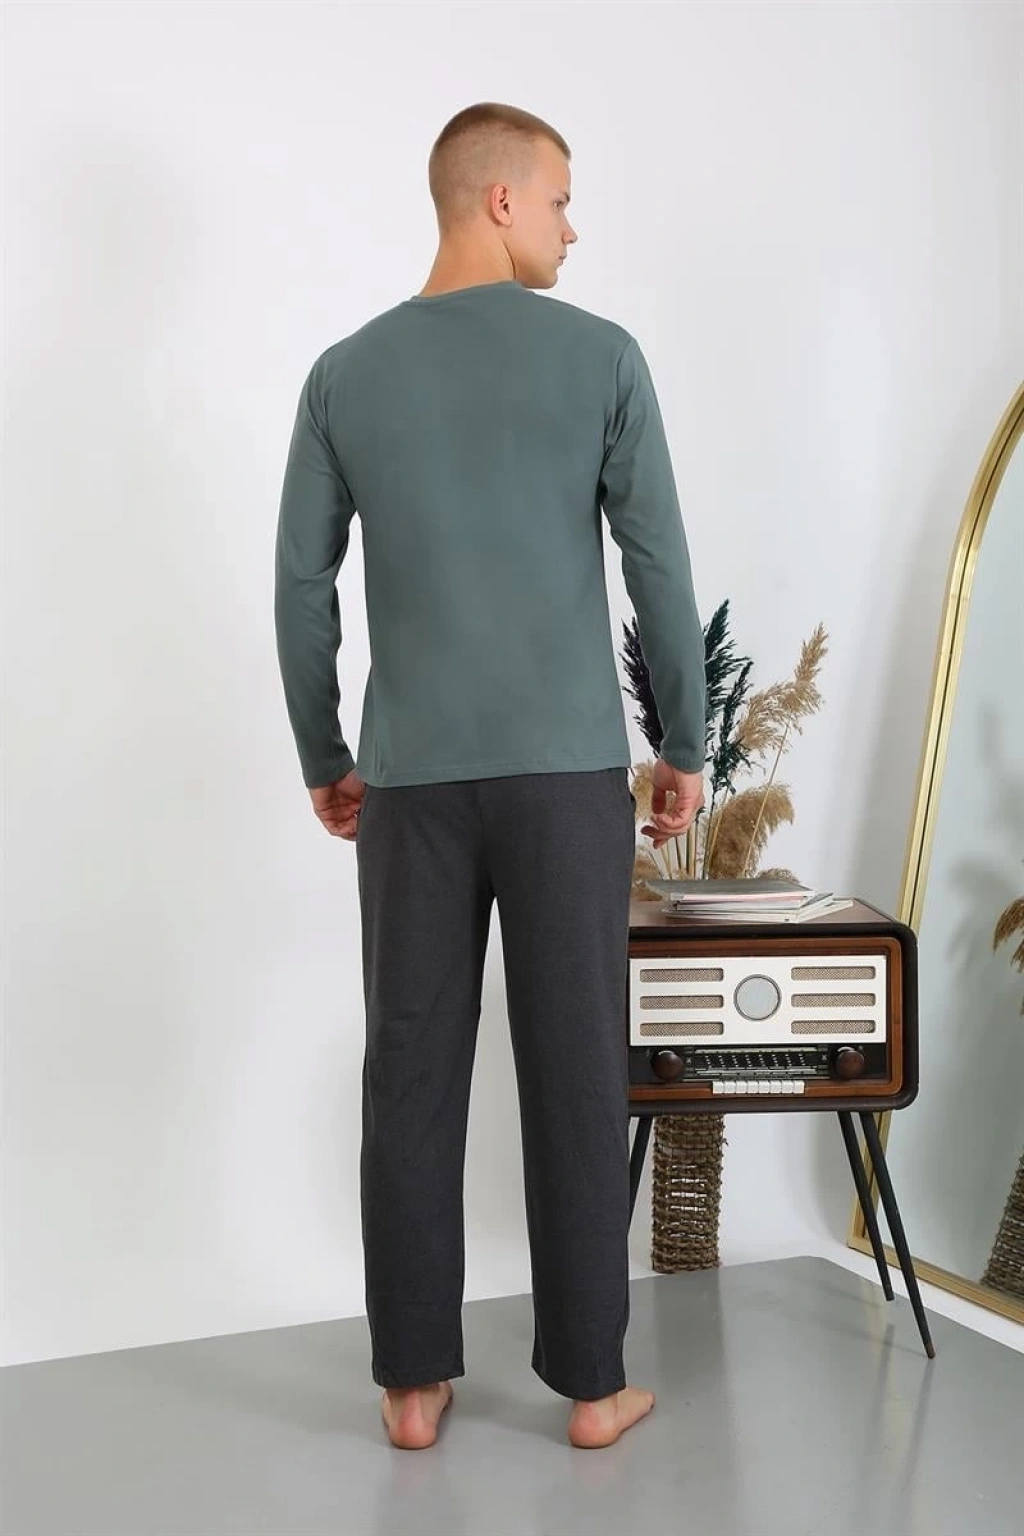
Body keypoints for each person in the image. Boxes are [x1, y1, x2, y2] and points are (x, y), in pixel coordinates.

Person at [274, 102, 706, 1451]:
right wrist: (684, 744)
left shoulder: (344, 375)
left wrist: (327, 756)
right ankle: (592, 1388)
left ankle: (412, 1387)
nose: (574, 229)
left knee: (409, 1062)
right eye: (562, 200)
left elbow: (300, 589)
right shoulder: (603, 359)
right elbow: (657, 566)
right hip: (567, 779)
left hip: (410, 784)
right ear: (501, 199)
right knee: (576, 1065)